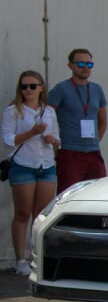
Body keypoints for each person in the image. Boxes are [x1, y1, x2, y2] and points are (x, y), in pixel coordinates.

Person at [3, 71, 60, 275]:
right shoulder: (13, 111)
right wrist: (32, 133)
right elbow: (8, 140)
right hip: (23, 165)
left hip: (46, 166)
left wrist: (52, 141)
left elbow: (57, 140)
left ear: (41, 88)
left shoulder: (49, 112)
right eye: (24, 86)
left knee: (42, 216)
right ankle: (21, 260)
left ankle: (39, 256)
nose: (28, 90)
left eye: (32, 86)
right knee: (22, 213)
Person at [48, 48, 107, 192]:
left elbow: (103, 121)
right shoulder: (61, 89)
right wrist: (54, 141)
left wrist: (94, 141)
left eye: (89, 64)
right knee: (68, 194)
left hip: (93, 151)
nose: (85, 68)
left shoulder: (96, 89)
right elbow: (46, 114)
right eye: (80, 64)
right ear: (70, 66)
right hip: (70, 152)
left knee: (96, 193)